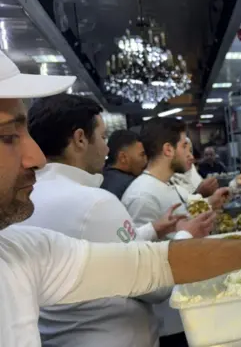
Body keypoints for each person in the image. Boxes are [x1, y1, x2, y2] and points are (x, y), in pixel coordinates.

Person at [0, 50, 241, 346]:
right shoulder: (92, 204)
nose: (36, 158)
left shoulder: (22, 250)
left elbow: (152, 262)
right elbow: (154, 281)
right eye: (8, 137)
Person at [22, 94, 214, 347]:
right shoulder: (93, 203)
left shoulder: (29, 196)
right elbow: (153, 283)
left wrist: (152, 229)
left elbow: (94, 251)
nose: (107, 149)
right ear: (80, 139)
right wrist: (186, 235)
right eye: (102, 137)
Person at [121, 117, 231, 346]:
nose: (189, 153)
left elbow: (180, 222)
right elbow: (143, 266)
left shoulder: (167, 185)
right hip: (171, 321)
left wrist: (208, 205)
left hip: (189, 306)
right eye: (184, 146)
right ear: (168, 149)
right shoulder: (142, 196)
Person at [101, 129, 147, 199]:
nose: (146, 160)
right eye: (142, 155)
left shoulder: (100, 178)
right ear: (123, 157)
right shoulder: (132, 185)